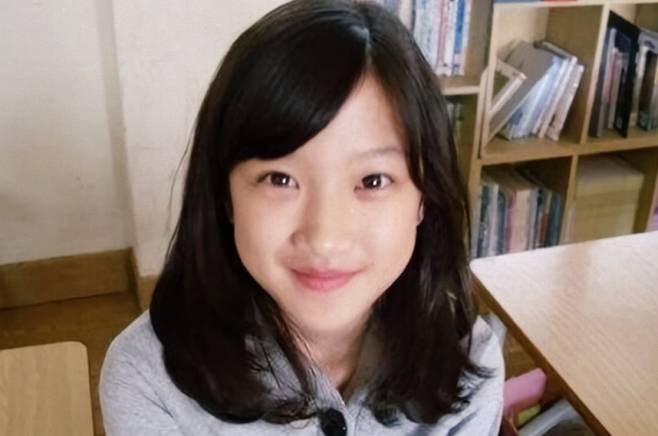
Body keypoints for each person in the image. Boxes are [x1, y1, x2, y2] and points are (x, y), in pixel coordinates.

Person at [99, 1, 504, 435]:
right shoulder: (148, 382)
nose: (325, 237)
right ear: (224, 195)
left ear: (425, 197)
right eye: (280, 178)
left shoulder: (468, 367)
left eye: (372, 180)